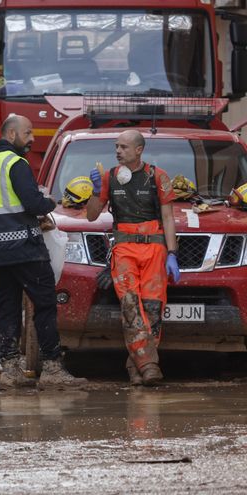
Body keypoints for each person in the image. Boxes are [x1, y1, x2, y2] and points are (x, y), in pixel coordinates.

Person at [0, 114, 86, 390]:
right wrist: (49, 202)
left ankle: (10, 371)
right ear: (11, 134)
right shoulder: (14, 163)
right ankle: (52, 368)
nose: (32, 139)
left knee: (7, 308)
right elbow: (32, 203)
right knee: (44, 305)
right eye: (28, 132)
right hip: (24, 248)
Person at [86, 129, 179, 386]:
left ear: (139, 150)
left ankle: (135, 365)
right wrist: (95, 192)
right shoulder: (109, 178)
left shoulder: (157, 176)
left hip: (155, 249)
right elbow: (91, 216)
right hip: (125, 249)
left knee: (152, 308)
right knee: (130, 305)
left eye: (124, 147)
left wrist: (172, 253)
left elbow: (169, 218)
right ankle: (149, 364)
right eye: (116, 146)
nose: (118, 151)